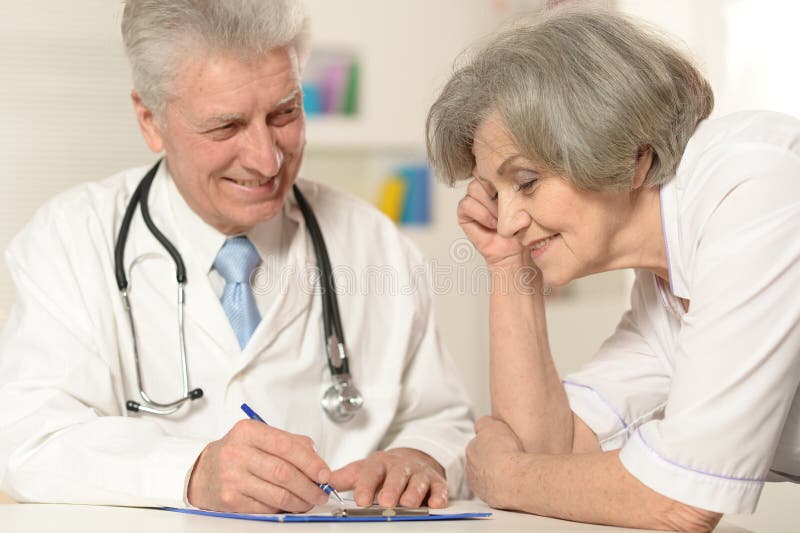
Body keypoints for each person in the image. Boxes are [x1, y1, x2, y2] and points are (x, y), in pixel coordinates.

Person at [0, 0, 474, 513]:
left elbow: (444, 420)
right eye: (225, 127)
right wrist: (190, 472)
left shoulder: (373, 244)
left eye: (284, 113)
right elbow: (29, 441)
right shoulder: (71, 241)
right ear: (150, 121)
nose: (266, 158)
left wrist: (420, 457)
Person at [426, 4, 800, 533]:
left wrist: (507, 477)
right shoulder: (665, 288)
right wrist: (509, 267)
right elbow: (549, 450)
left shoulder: (752, 184)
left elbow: (678, 502)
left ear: (631, 156)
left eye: (526, 181)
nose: (506, 220)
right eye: (495, 192)